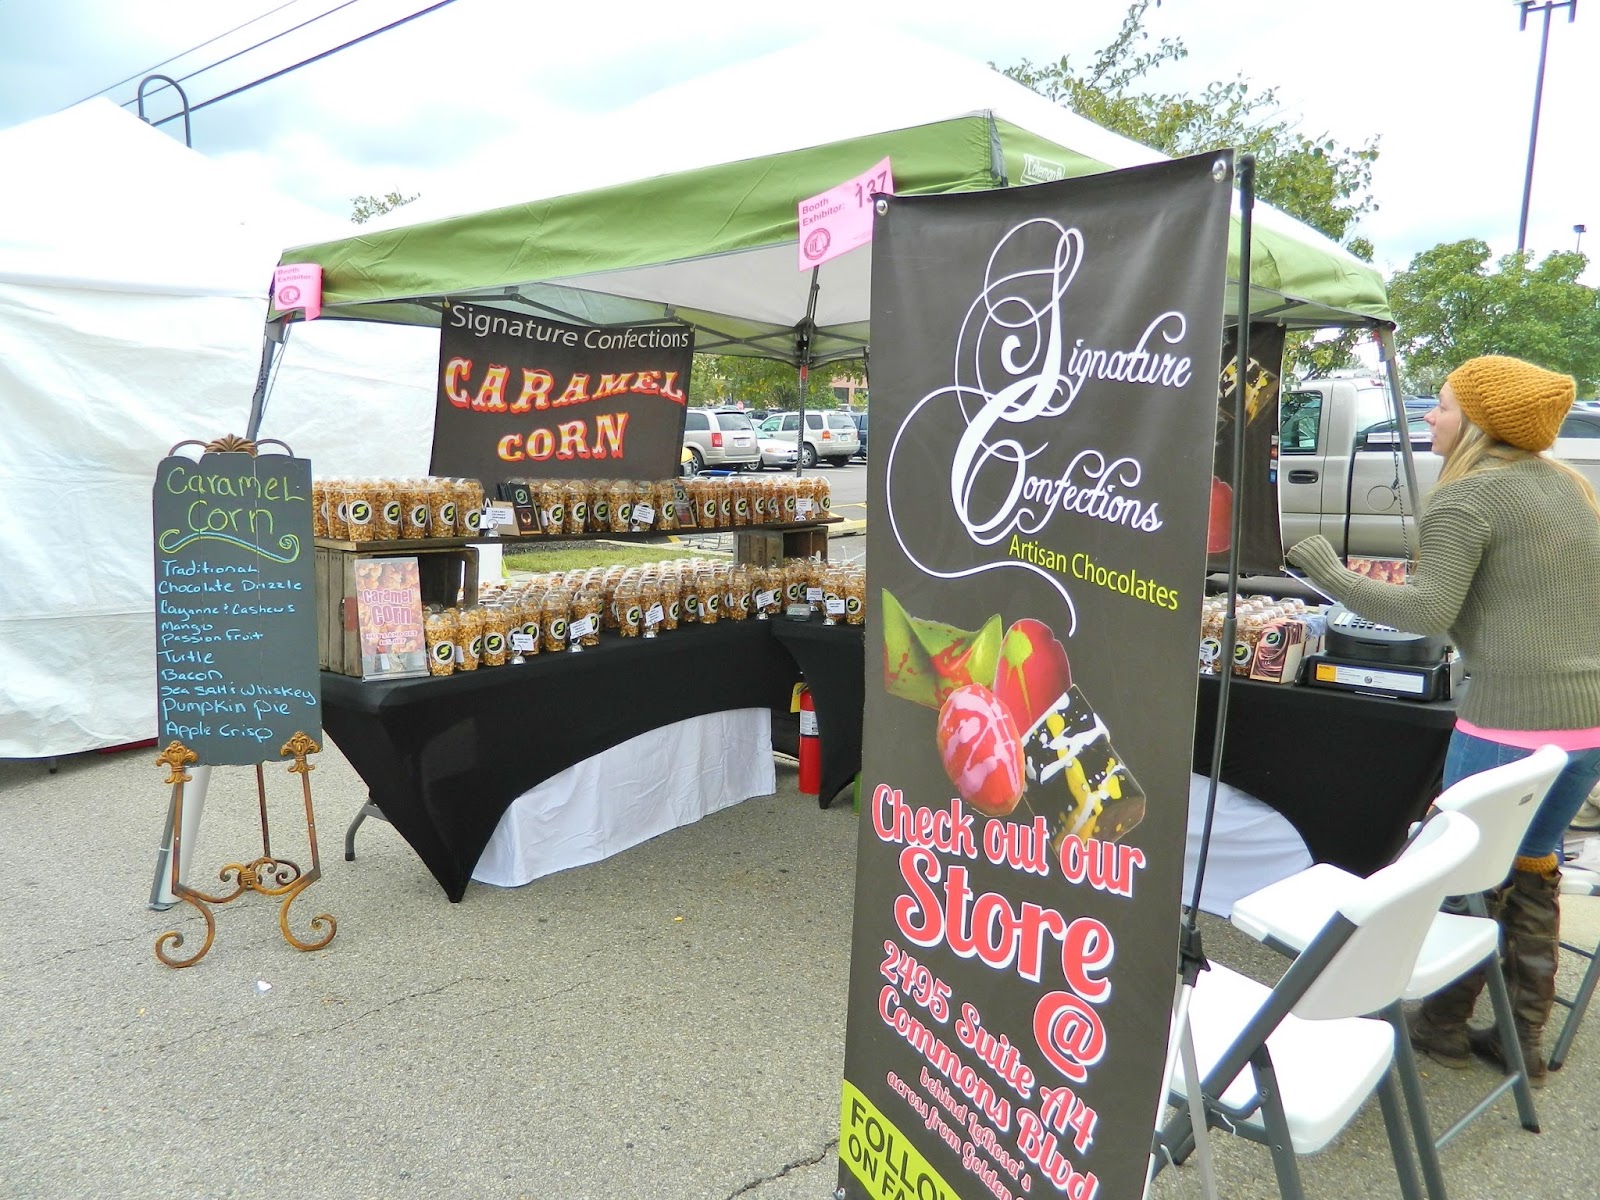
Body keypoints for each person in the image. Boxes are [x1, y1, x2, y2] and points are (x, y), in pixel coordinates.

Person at [1285, 354, 1600, 1086]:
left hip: (1509, 723)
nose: (1430, 414)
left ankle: (1442, 1024)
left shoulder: (1471, 498)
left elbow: (1427, 612)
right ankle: (1519, 1038)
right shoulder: (1571, 488)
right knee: (1531, 869)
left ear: (1483, 424)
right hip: (1586, 728)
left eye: (1447, 406)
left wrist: (1327, 571)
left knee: (1459, 874)